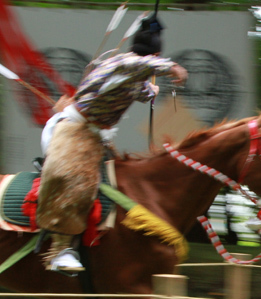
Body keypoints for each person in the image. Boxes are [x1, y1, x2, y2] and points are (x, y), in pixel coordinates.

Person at [37, 12, 188, 274]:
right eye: (153, 60)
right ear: (151, 56)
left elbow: (142, 89)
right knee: (80, 181)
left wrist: (152, 92)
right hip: (72, 132)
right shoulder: (120, 63)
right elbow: (136, 67)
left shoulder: (133, 75)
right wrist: (171, 67)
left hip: (96, 137)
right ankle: (60, 250)